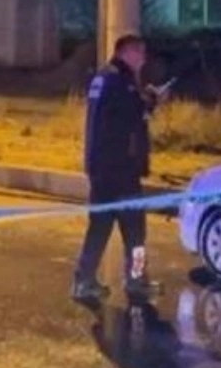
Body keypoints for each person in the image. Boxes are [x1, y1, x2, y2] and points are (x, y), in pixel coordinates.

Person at [71, 34, 165, 302]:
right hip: (119, 169)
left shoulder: (104, 78)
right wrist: (151, 101)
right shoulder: (120, 82)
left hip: (106, 169)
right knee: (132, 230)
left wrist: (143, 99)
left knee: (107, 228)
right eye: (139, 52)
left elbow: (118, 115)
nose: (143, 58)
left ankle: (88, 280)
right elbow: (131, 115)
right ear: (126, 53)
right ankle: (132, 280)